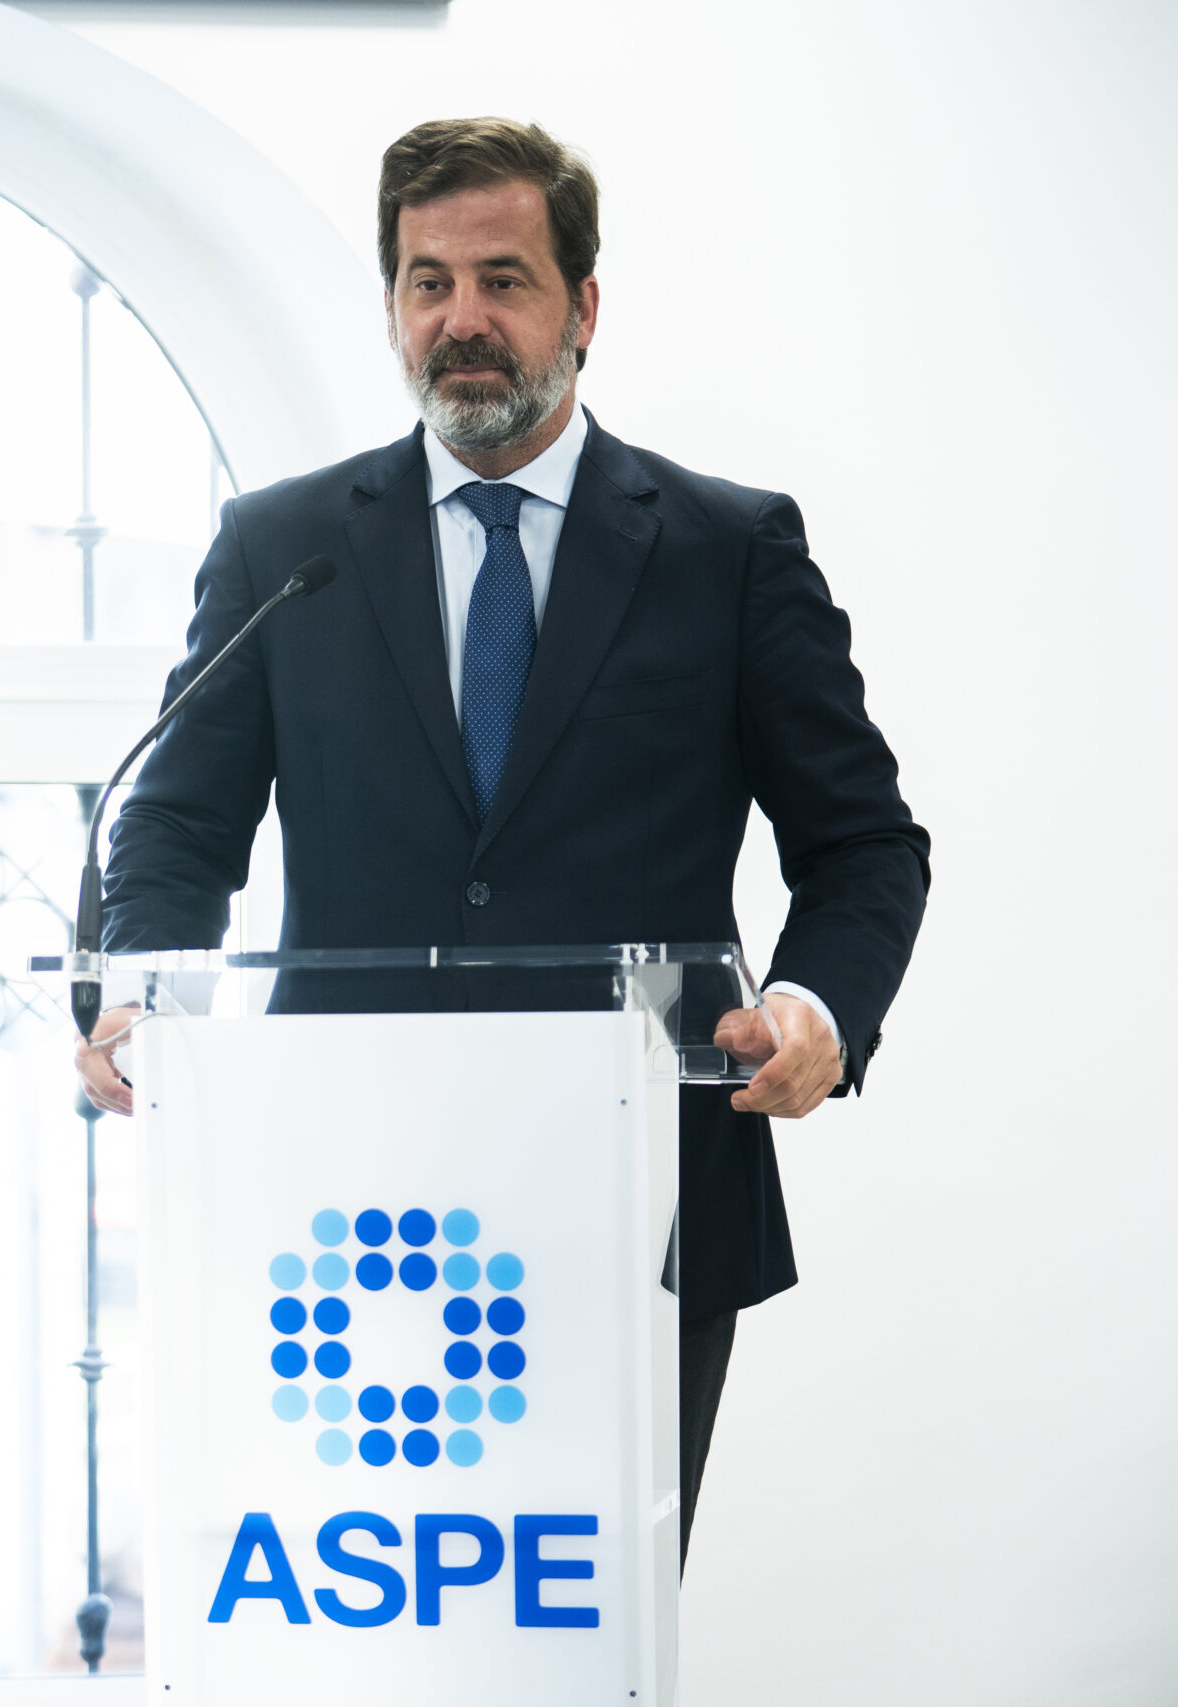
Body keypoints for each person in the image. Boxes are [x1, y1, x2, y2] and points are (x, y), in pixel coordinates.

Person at [72, 116, 929, 1561]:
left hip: (644, 1198)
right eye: (428, 282)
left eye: (503, 279)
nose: (461, 318)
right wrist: (141, 981)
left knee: (597, 1626)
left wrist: (812, 1006)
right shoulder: (285, 549)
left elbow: (864, 844)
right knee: (375, 1629)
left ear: (583, 306)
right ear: (392, 307)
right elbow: (176, 820)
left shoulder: (728, 551)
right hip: (350, 1209)